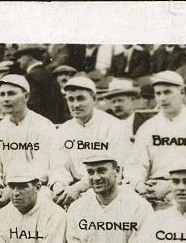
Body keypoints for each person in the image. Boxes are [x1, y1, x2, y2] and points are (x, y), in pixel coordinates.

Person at [127, 71, 186, 202]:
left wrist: (170, 187)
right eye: (158, 93)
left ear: (182, 92)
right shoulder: (148, 127)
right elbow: (136, 164)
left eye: (167, 92)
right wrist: (140, 185)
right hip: (153, 188)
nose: (162, 98)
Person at [49, 76, 132, 208]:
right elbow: (58, 167)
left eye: (81, 98)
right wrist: (59, 187)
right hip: (72, 190)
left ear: (94, 98)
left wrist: (79, 188)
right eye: (71, 99)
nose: (75, 105)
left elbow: (116, 169)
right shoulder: (64, 130)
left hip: (106, 189)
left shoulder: (114, 126)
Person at [0, 74, 59, 209]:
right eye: (2, 94)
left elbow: (43, 168)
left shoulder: (43, 126)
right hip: (3, 189)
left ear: (26, 97)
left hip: (34, 188)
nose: (5, 99)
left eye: (11, 94)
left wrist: (12, 190)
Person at [14, 44, 69, 124]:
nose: (18, 61)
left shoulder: (31, 77)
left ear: (29, 57)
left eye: (20, 57)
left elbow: (34, 107)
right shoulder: (49, 74)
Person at [102, 78, 140, 144]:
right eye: (113, 102)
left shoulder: (145, 122)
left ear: (132, 99)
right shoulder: (105, 123)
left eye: (121, 100)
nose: (117, 105)